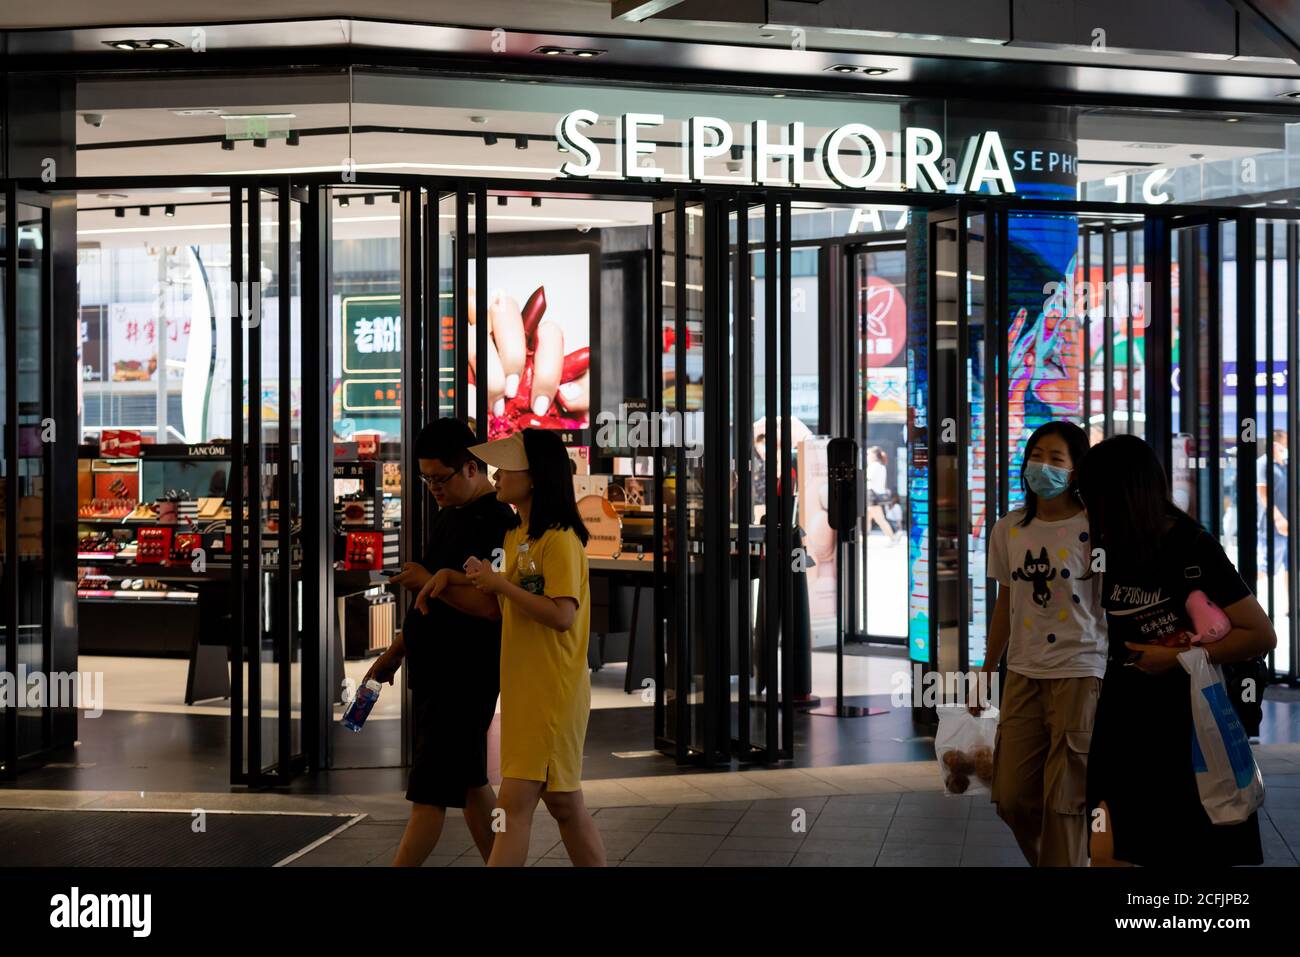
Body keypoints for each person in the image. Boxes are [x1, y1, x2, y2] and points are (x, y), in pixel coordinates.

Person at [1079, 434, 1276, 867]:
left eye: (1091, 494)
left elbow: (1261, 634)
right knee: (1104, 840)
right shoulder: (1108, 546)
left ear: (1122, 493)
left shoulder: (1191, 546)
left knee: (1179, 846)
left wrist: (1178, 657)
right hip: (1121, 717)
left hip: (1186, 722)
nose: (1086, 505)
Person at [416, 428, 607, 867]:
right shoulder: (519, 536)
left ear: (536, 476)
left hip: (550, 694)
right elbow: (504, 598)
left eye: (507, 468)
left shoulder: (559, 540)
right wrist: (454, 577)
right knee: (564, 807)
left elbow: (562, 615)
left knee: (512, 810)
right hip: (525, 693)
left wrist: (499, 583)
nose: (496, 475)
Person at [363, 418, 515, 866]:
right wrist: (394, 654)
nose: (433, 487)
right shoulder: (450, 515)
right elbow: (428, 599)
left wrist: (433, 580)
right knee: (470, 783)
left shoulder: (496, 521)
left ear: (472, 467)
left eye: (440, 478)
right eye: (426, 479)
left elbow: (492, 607)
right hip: (436, 673)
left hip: (464, 677)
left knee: (428, 792)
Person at [977, 421, 1104, 867]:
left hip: (1081, 672)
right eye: (1037, 455)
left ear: (1075, 470)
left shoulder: (1095, 528)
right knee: (1011, 796)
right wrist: (988, 666)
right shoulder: (1009, 528)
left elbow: (1109, 603)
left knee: (1065, 803)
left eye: (1056, 459)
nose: (1043, 466)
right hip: (1024, 673)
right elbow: (1005, 600)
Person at [1256, 429, 1289, 611]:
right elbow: (1264, 496)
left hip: (1289, 526)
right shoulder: (1262, 464)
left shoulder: (1284, 464)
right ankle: (1244, 599)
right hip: (1272, 526)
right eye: (1285, 442)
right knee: (1265, 567)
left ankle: (1291, 605)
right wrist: (1278, 520)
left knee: (1290, 567)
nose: (1287, 446)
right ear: (1276, 443)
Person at [865, 446, 897, 542]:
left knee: (879, 519)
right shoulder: (881, 466)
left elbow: (868, 478)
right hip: (875, 495)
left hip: (872, 495)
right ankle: (864, 537)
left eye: (868, 454)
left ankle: (892, 537)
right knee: (867, 517)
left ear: (874, 455)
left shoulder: (874, 466)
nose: (867, 456)